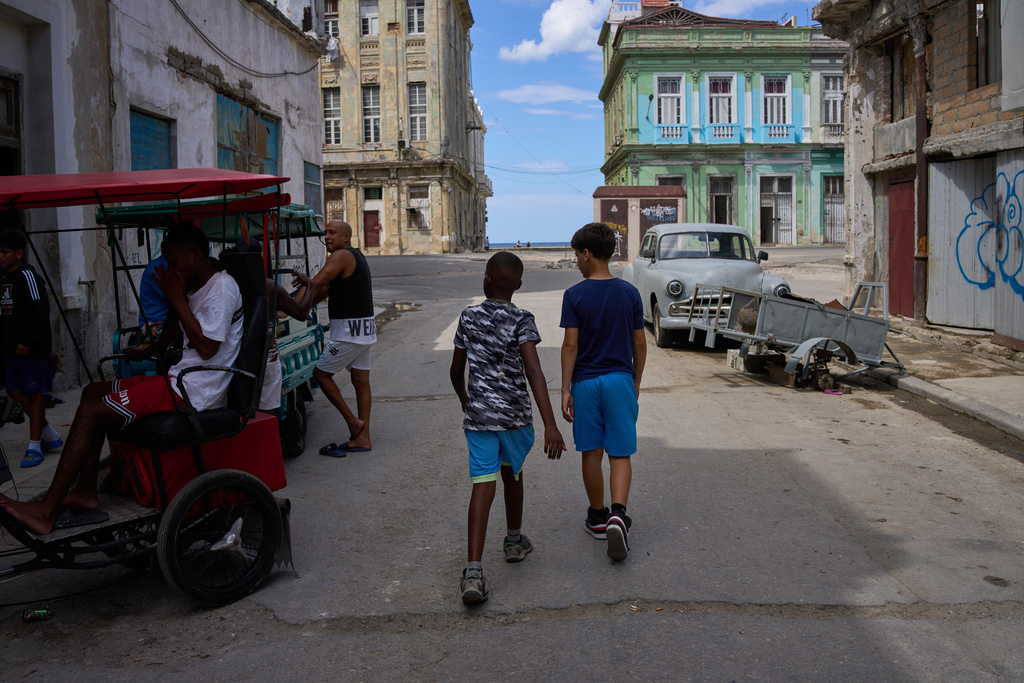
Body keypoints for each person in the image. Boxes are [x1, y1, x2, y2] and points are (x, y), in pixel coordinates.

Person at [0, 223, 244, 535]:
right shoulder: (198, 288)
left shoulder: (222, 288)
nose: (169, 270)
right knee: (92, 392)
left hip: (195, 390)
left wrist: (176, 297)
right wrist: (144, 347)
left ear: (195, 256)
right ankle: (85, 492)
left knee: (91, 412)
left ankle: (46, 513)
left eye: (173, 262)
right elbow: (181, 331)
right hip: (178, 379)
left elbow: (208, 348)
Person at [450, 251, 565, 604]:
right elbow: (533, 372)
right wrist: (551, 424)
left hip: (480, 420)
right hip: (514, 418)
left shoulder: (468, 317)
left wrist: (466, 402)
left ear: (486, 279)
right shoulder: (523, 320)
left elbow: (456, 371)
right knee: (512, 472)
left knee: (482, 484)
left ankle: (473, 571)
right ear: (518, 285)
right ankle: (514, 541)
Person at [560, 222, 646, 562]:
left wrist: (565, 389)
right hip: (619, 380)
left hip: (586, 383)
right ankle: (618, 514)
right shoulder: (629, 293)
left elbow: (570, 346)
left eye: (576, 257)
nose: (576, 264)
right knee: (620, 452)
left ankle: (597, 516)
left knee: (591, 452)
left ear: (586, 253)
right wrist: (635, 380)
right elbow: (639, 343)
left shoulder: (575, 295)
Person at [308, 220, 375, 455]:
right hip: (364, 331)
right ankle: (363, 438)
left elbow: (315, 284)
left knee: (321, 374)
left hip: (348, 334)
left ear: (345, 237)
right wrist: (296, 306)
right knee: (360, 382)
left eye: (332, 232)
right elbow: (324, 292)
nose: (326, 236)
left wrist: (287, 306)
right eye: (325, 232)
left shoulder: (340, 256)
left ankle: (354, 423)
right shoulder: (357, 256)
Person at [0, 229, 62, 468]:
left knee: (34, 395)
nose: (1, 256)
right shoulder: (4, 280)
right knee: (14, 390)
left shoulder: (28, 277)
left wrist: (27, 340)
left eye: (4, 252)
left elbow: (41, 312)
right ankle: (48, 432)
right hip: (11, 350)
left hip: (32, 350)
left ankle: (35, 446)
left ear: (18, 253)